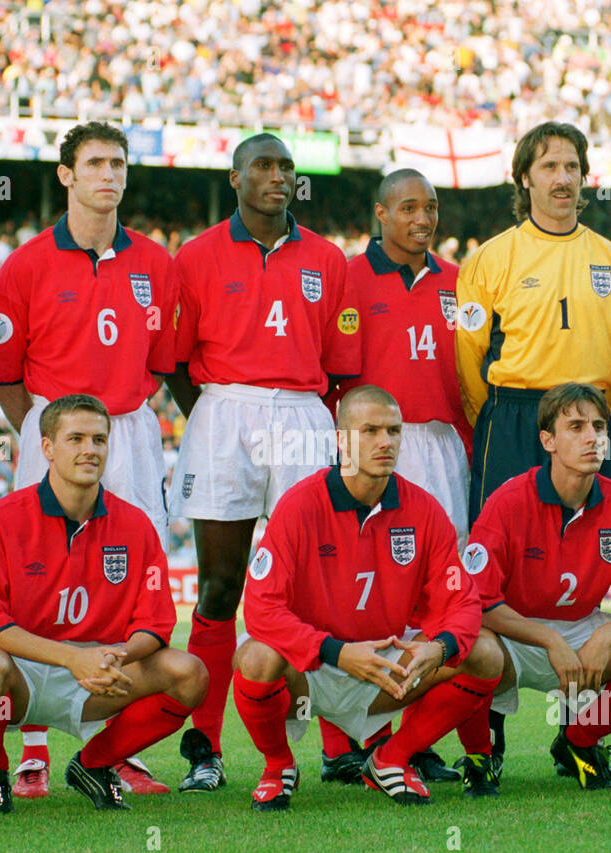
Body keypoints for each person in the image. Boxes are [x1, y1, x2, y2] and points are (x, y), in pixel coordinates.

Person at [0, 122, 178, 798]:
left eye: (119, 163)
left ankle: (115, 751)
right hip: (53, 427)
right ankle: (32, 743)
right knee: (35, 579)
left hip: (131, 427)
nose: (109, 175)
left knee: (128, 585)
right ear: (65, 174)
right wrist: (49, 433)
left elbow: (162, 363)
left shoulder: (157, 264)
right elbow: (3, 372)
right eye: (94, 162)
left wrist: (117, 420)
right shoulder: (26, 263)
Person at [165, 132, 360, 792]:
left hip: (304, 413)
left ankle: (337, 744)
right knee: (220, 584)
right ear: (236, 177)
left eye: (286, 168)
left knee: (316, 586)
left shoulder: (328, 259)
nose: (278, 177)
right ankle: (206, 748)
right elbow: (172, 362)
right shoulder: (195, 256)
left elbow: (340, 369)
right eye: (264, 167)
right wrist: (218, 411)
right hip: (224, 408)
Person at [454, 122, 611, 771]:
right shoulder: (490, 259)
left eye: (572, 166)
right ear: (524, 177)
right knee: (491, 581)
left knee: (591, 577)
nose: (563, 178)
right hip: (512, 417)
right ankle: (489, 739)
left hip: (587, 416)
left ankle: (581, 735)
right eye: (549, 166)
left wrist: (588, 424)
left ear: (584, 177)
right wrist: (510, 422)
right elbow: (469, 362)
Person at [234, 386, 502, 809]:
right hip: (313, 669)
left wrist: (440, 646)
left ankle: (391, 759)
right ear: (341, 440)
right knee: (255, 657)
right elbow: (262, 609)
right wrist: (338, 653)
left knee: (485, 653)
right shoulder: (299, 505)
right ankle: (278, 765)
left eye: (394, 431)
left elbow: (463, 602)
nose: (386, 442)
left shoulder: (424, 509)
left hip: (385, 667)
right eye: (371, 431)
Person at [0, 394, 207, 813]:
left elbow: (156, 624)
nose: (90, 449)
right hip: (22, 672)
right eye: (76, 439)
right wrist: (71, 658)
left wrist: (116, 654)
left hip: (98, 672)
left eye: (99, 440)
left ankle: (94, 764)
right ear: (47, 448)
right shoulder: (1, 518)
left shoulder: (135, 525)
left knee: (189, 673)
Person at [320, 168, 471, 787]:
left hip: (439, 443)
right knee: (359, 591)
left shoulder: (460, 282)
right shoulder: (348, 277)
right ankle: (342, 744)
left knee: (432, 594)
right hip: (374, 444)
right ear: (380, 214)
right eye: (408, 207)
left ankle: (410, 737)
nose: (422, 218)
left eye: (431, 208)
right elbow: (331, 379)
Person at [456, 383, 611, 793]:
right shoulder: (507, 501)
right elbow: (480, 601)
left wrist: (602, 637)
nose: (592, 437)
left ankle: (578, 742)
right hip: (516, 632)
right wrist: (547, 639)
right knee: (472, 649)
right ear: (548, 440)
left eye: (598, 426)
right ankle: (480, 755)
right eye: (575, 427)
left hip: (582, 627)